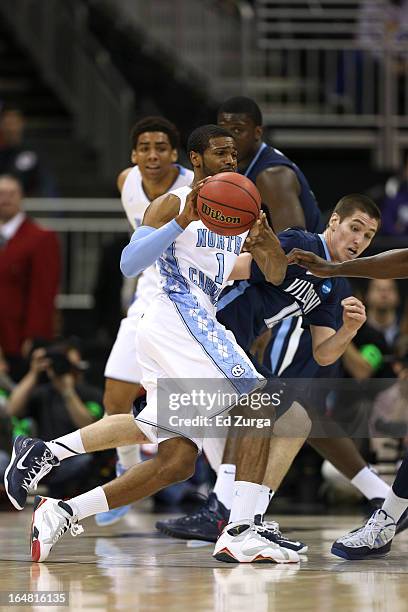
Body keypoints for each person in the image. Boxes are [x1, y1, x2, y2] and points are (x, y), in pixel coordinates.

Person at [4, 124, 297, 565]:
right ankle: (242, 529)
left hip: (189, 323)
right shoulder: (173, 202)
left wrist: (266, 243)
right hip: (175, 317)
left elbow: (267, 274)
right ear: (197, 160)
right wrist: (181, 220)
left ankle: (58, 494)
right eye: (220, 154)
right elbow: (129, 263)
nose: (230, 162)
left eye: (234, 155)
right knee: (259, 407)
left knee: (175, 458)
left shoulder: (241, 212)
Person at [97, 116, 194, 526]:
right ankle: (128, 472)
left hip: (190, 304)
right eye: (144, 148)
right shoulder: (127, 182)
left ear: (174, 154)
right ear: (134, 154)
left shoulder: (195, 188)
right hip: (144, 300)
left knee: (197, 413)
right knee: (114, 400)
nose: (152, 155)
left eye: (160, 148)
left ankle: (228, 498)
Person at [287, 243, 408, 559]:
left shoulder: (375, 338)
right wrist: (335, 268)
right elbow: (401, 260)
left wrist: (345, 331)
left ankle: (385, 518)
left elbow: (364, 368)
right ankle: (386, 518)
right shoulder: (369, 331)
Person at [6, 341, 103, 499]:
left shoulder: (91, 394)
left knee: (83, 460)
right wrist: (33, 373)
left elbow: (88, 426)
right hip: (43, 461)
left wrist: (67, 391)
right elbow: (12, 410)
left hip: (76, 459)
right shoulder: (43, 393)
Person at [0, 174, 60, 379]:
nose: (5, 198)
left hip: (18, 339)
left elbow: (43, 293)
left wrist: (34, 336)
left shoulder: (41, 238)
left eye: (11, 194)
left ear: (22, 197)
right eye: (1, 194)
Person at [0, 108, 56, 197]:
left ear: (22, 123)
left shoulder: (34, 152)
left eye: (14, 123)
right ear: (2, 125)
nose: (11, 128)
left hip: (27, 205)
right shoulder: (2, 153)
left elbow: (46, 182)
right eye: (7, 124)